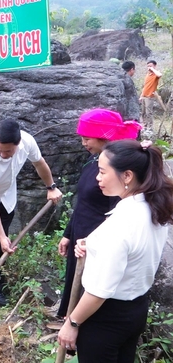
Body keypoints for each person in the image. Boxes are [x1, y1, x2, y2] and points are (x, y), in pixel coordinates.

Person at [58, 140, 173, 362]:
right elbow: (131, 254)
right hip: (136, 309)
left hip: (105, 318)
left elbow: (99, 292)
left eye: (102, 172)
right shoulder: (153, 207)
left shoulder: (121, 224)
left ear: (127, 176)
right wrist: (92, 245)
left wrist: (72, 323)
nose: (97, 178)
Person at [0, 119, 63, 316]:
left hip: (6, 194)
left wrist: (51, 187)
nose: (3, 154)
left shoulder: (27, 142)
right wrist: (0, 235)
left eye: (8, 151)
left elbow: (39, 163)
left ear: (18, 143)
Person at [56, 109, 141, 318]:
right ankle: (70, 319)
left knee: (92, 285)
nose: (84, 143)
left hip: (96, 238)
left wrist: (93, 240)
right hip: (81, 233)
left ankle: (79, 324)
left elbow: (116, 213)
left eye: (87, 138)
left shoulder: (117, 172)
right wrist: (69, 233)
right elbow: (82, 201)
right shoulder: (93, 162)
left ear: (104, 137)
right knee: (75, 281)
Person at [139, 59, 163, 128]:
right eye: (148, 66)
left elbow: (160, 75)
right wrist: (141, 96)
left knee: (148, 113)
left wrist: (153, 69)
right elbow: (145, 86)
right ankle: (144, 126)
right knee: (143, 113)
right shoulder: (147, 75)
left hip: (150, 96)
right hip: (144, 96)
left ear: (155, 66)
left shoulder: (156, 74)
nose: (149, 68)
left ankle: (150, 128)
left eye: (150, 66)